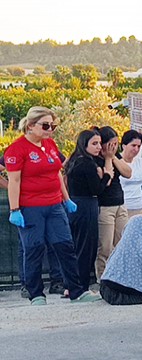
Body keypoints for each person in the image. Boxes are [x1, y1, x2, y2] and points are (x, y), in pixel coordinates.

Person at [5, 106, 101, 305]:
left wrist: (66, 199)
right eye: (46, 125)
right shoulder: (17, 149)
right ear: (31, 126)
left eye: (53, 126)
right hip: (30, 207)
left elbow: (57, 172)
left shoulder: (49, 144)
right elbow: (14, 181)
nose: (50, 129)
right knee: (34, 248)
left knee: (65, 246)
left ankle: (76, 290)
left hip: (54, 204)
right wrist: (15, 209)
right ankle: (36, 294)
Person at [0, 159, 65, 298]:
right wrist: (12, 187)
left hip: (49, 203)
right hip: (27, 204)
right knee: (27, 246)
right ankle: (28, 284)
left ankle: (57, 281)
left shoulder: (47, 148)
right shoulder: (17, 150)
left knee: (54, 243)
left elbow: (62, 168)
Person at [65, 129, 113, 290]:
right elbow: (97, 189)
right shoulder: (86, 163)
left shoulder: (75, 159)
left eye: (99, 143)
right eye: (94, 143)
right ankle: (81, 286)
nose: (99, 147)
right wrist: (106, 175)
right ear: (84, 144)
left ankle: (73, 284)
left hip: (77, 204)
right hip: (86, 205)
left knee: (78, 245)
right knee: (86, 247)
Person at [94, 126, 132, 280]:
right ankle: (102, 276)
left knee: (121, 241)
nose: (113, 147)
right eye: (111, 144)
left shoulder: (115, 156)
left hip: (120, 203)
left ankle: (120, 274)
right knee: (105, 245)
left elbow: (128, 173)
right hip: (105, 206)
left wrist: (113, 156)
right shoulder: (96, 159)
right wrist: (107, 158)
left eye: (116, 144)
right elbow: (106, 180)